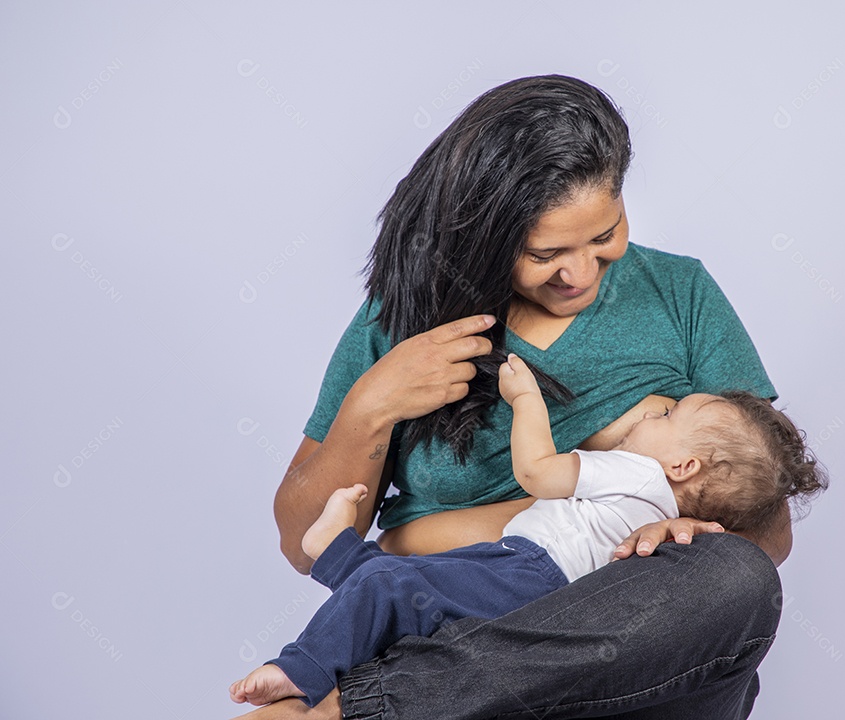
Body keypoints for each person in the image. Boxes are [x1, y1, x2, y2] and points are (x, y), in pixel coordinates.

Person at [234, 73, 803, 720]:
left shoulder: (681, 293)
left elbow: (768, 523)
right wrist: (373, 404)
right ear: (487, 235)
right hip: (459, 664)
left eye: (605, 234)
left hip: (636, 667)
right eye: (547, 252)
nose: (581, 272)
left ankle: (349, 712)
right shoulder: (400, 322)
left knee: (737, 576)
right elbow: (300, 537)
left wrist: (419, 541)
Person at [229, 354, 826, 708]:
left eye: (668, 414)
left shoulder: (636, 471)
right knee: (404, 588)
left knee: (394, 588)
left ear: (684, 467)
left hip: (532, 573)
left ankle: (302, 676)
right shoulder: (656, 490)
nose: (652, 411)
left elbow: (537, 471)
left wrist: (526, 398)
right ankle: (335, 556)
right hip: (543, 595)